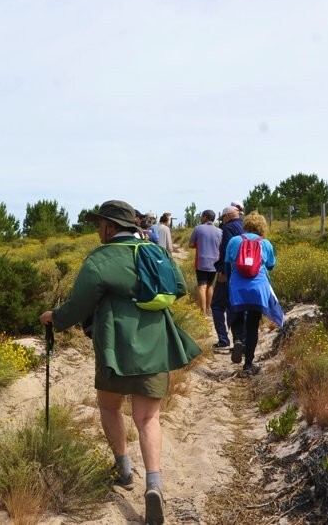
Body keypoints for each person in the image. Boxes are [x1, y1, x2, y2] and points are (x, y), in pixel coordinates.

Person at [40, 200, 200, 525]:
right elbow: (180, 287)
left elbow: (77, 305)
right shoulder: (154, 251)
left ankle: (123, 469)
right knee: (148, 417)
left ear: (110, 227)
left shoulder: (100, 258)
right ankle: (153, 484)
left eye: (99, 224)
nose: (98, 230)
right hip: (155, 342)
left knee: (109, 406)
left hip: (115, 345)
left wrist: (54, 318)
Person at [224, 211, 282, 375]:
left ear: (246, 225)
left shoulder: (234, 241)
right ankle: (248, 365)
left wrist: (230, 284)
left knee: (236, 315)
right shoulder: (266, 243)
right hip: (258, 288)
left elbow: (227, 265)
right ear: (262, 227)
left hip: (237, 286)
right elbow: (271, 265)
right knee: (253, 324)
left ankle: (238, 340)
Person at [209, 205, 244, 353]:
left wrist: (223, 271)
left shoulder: (228, 228)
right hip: (246, 273)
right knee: (237, 306)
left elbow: (226, 251)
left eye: (222, 218)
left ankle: (223, 340)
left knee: (217, 305)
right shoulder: (245, 225)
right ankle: (240, 340)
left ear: (228, 216)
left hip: (229, 272)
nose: (222, 221)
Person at [187, 209, 223, 315]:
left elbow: (191, 244)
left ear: (205, 217)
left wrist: (200, 245)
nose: (201, 218)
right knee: (210, 285)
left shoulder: (198, 228)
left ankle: (202, 312)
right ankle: (208, 308)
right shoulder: (220, 231)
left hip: (201, 262)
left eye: (202, 216)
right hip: (215, 262)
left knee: (202, 286)